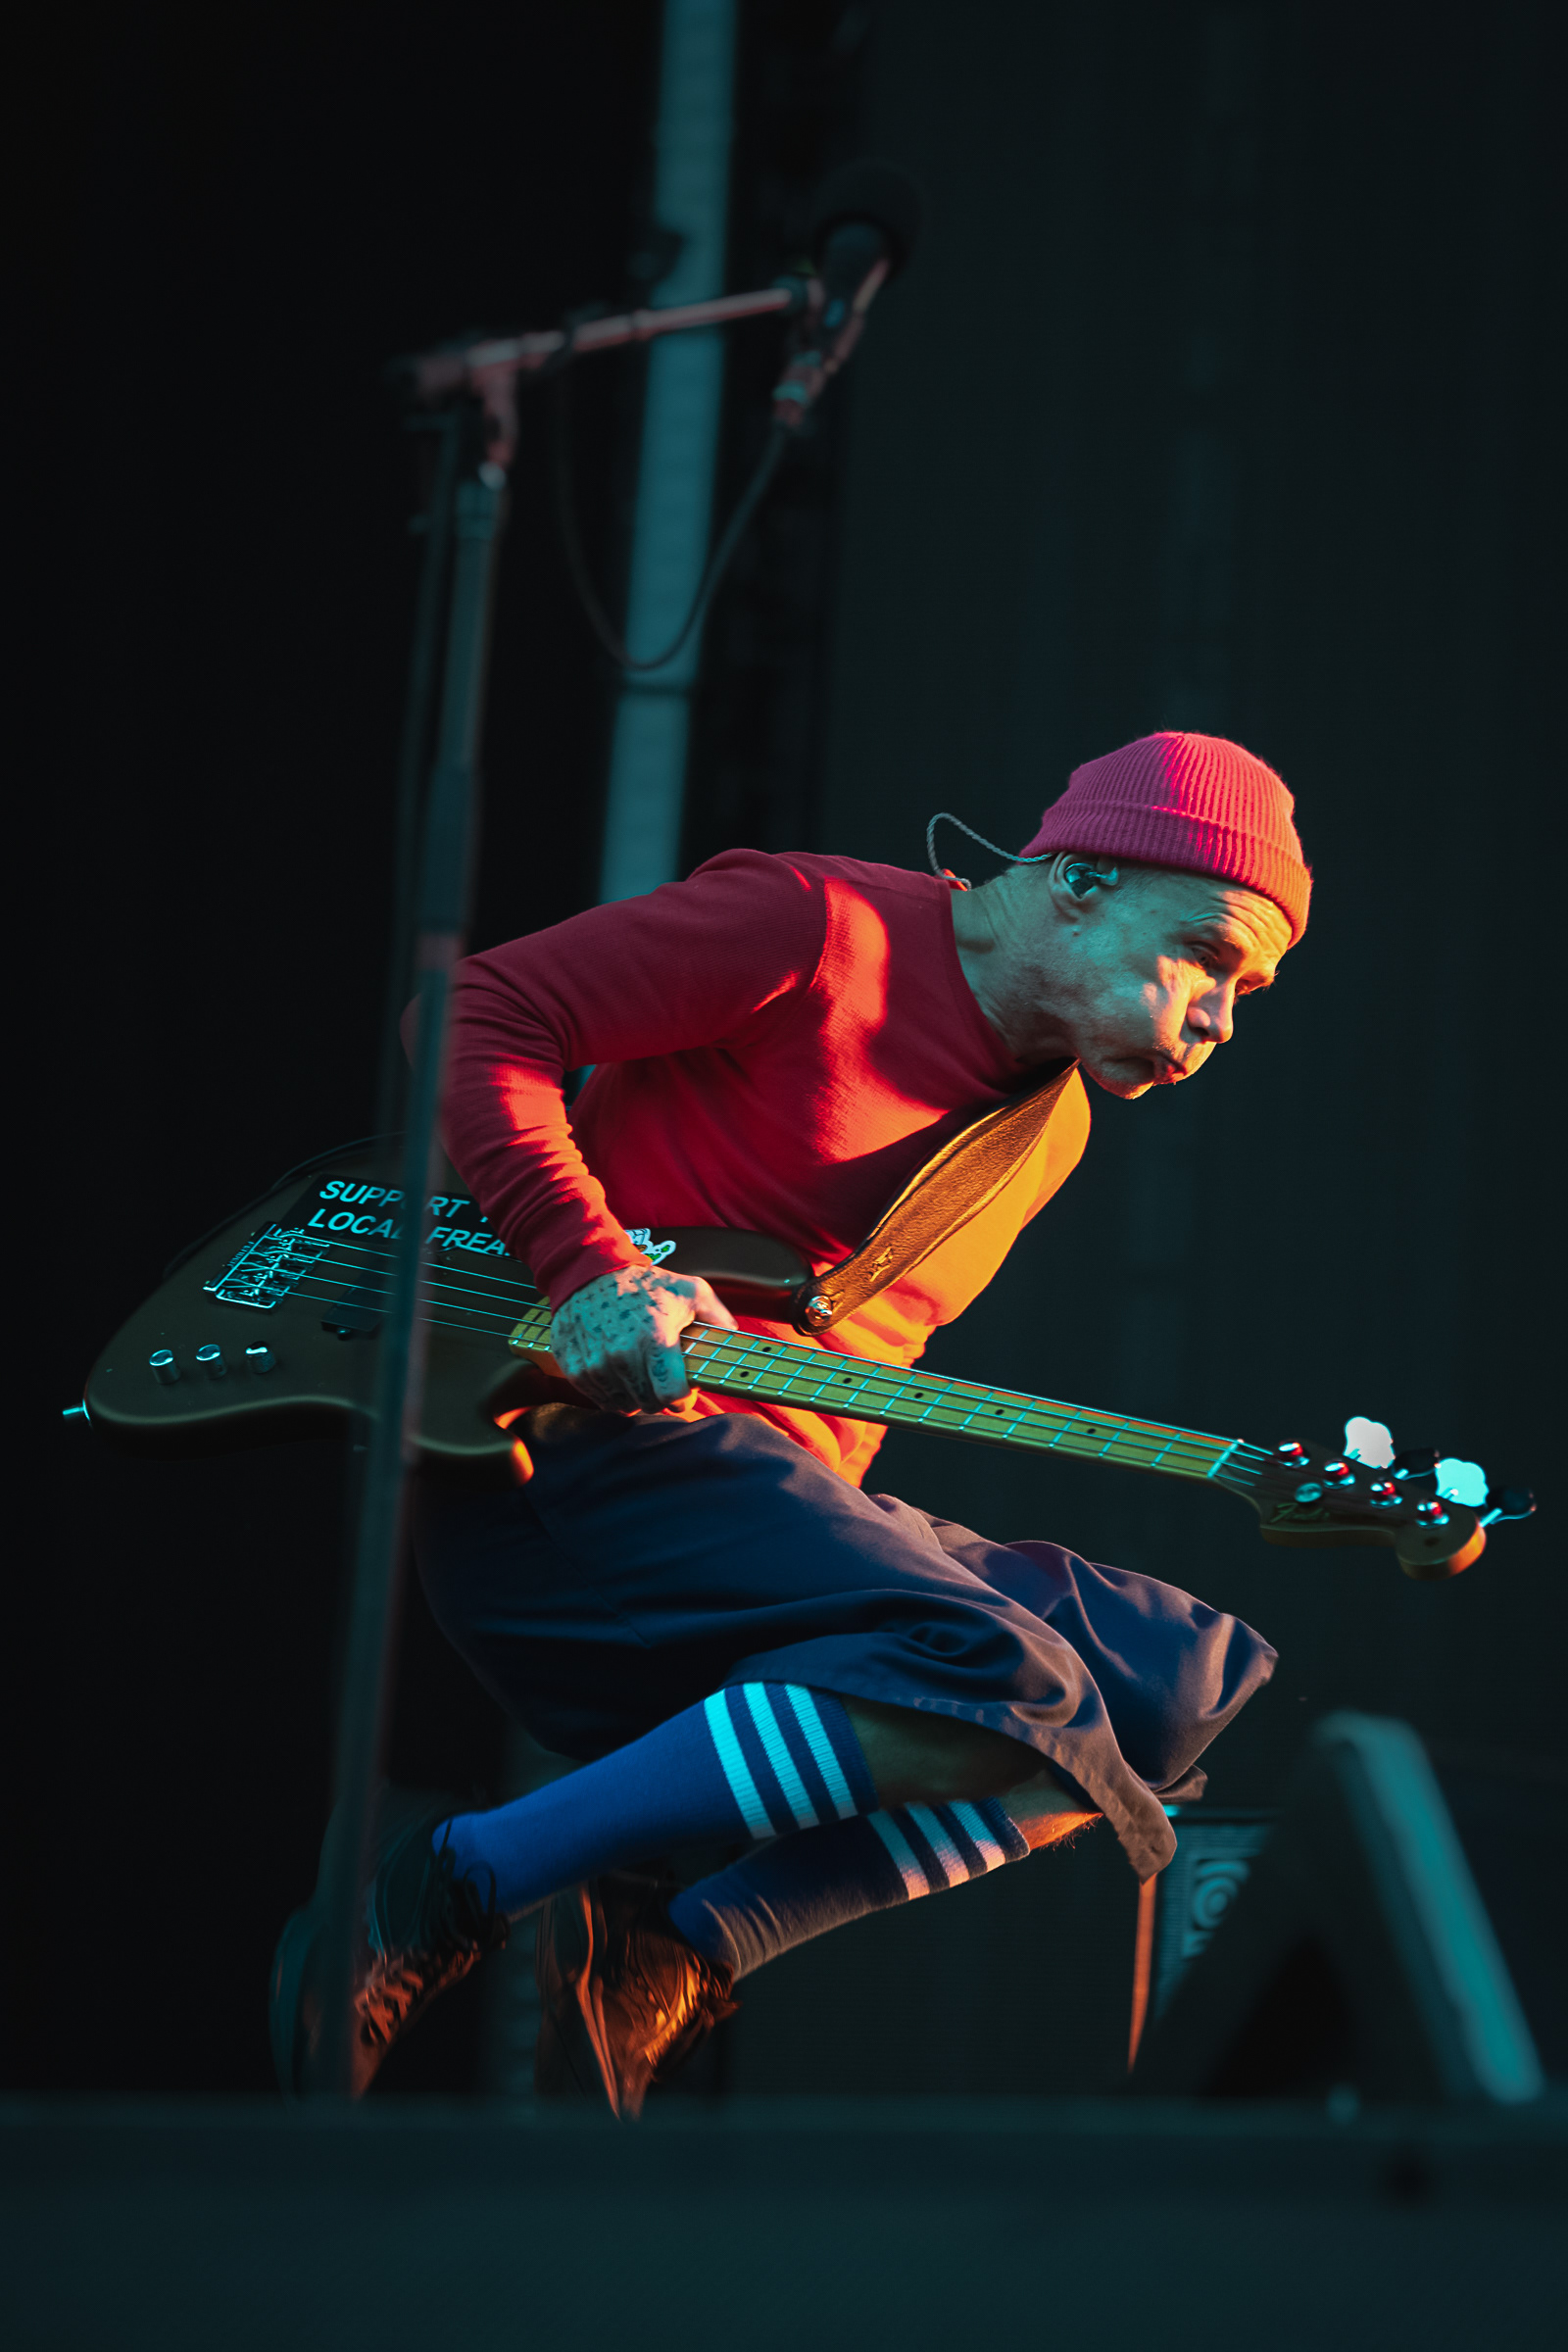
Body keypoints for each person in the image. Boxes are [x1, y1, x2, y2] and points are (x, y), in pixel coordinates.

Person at [270, 729, 1308, 2112]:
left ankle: (677, 1946)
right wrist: (590, 1270)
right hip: (571, 1455)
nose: (1221, 1017)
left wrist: (836, 1575)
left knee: (1167, 1690)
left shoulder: (1047, 1125)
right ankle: (451, 1878)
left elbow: (859, 1363)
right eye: (1209, 956)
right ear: (1077, 879)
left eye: (1248, 991)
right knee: (1005, 1673)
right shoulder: (816, 926)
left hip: (761, 1517)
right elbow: (473, 1012)